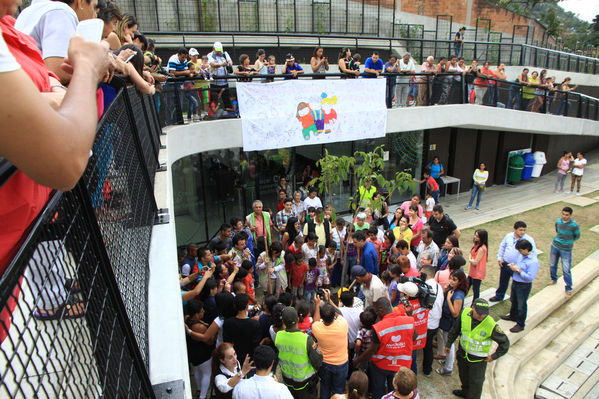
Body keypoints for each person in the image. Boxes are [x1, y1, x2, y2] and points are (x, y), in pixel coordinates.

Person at [446, 299, 510, 399]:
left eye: (484, 314)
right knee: (464, 377)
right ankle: (465, 392)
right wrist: (449, 344)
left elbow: (505, 343)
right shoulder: (465, 313)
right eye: (479, 313)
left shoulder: (491, 324)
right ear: (473, 308)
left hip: (478, 361)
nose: (481, 316)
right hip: (463, 355)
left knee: (476, 383)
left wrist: (494, 356)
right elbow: (455, 329)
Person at [353, 297, 415, 399]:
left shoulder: (379, 327)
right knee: (395, 390)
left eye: (377, 312)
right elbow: (414, 336)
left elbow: (372, 350)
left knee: (377, 390)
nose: (377, 315)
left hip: (381, 365)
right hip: (401, 365)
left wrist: (358, 360)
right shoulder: (408, 320)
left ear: (381, 311)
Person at [275, 307, 322, 398]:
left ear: (283, 322)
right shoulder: (306, 339)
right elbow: (318, 361)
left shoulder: (278, 336)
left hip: (288, 381)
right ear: (297, 319)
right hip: (305, 384)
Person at [312, 291, 349, 399]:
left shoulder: (317, 328)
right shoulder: (343, 324)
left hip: (325, 364)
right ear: (334, 317)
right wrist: (329, 300)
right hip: (341, 363)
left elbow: (315, 321)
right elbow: (340, 313)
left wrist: (317, 304)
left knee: (324, 387)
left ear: (322, 318)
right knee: (338, 389)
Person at [489, 221, 537, 302]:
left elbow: (533, 253)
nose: (522, 232)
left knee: (516, 284)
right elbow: (502, 246)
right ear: (515, 229)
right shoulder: (508, 236)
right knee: (503, 281)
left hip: (517, 266)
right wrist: (500, 258)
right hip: (506, 263)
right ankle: (499, 296)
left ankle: (514, 300)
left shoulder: (529, 239)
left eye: (524, 230)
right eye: (520, 230)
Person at [500, 239, 539, 333]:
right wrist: (514, 266)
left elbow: (530, 277)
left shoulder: (533, 262)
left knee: (521, 305)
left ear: (526, 249)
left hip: (524, 285)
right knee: (513, 300)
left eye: (520, 250)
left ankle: (520, 324)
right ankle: (512, 316)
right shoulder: (522, 256)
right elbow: (519, 265)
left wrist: (518, 270)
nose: (519, 253)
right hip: (516, 282)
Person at [549, 207, 580, 296]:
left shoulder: (574, 225)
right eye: (563, 214)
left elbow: (577, 236)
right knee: (552, 264)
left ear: (570, 215)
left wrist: (568, 241)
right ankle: (553, 279)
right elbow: (557, 231)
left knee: (566, 269)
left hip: (566, 249)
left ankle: (569, 287)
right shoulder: (558, 222)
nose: (564, 216)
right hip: (555, 246)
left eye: (566, 215)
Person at [223, 294, 262, 364]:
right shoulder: (254, 324)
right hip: (249, 359)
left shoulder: (228, 323)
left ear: (234, 305)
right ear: (247, 306)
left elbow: (227, 342)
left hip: (234, 358)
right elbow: (256, 345)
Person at [420, 265, 444, 376]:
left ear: (426, 274)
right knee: (428, 346)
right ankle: (427, 369)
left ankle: (427, 369)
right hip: (436, 321)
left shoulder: (425, 287)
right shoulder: (439, 286)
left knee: (426, 347)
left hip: (427, 322)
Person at [467, 229, 488, 301]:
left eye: (477, 236)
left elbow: (475, 262)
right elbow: (470, 253)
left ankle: (474, 304)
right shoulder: (476, 245)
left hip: (477, 272)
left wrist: (470, 259)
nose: (475, 237)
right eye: (475, 235)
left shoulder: (482, 248)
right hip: (472, 271)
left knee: (475, 289)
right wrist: (471, 258)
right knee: (467, 286)